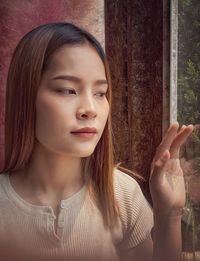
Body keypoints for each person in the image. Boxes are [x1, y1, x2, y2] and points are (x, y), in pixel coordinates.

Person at [0, 22, 194, 261]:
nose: (90, 110)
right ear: (25, 96)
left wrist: (170, 215)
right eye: (67, 90)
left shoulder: (122, 194)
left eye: (100, 93)